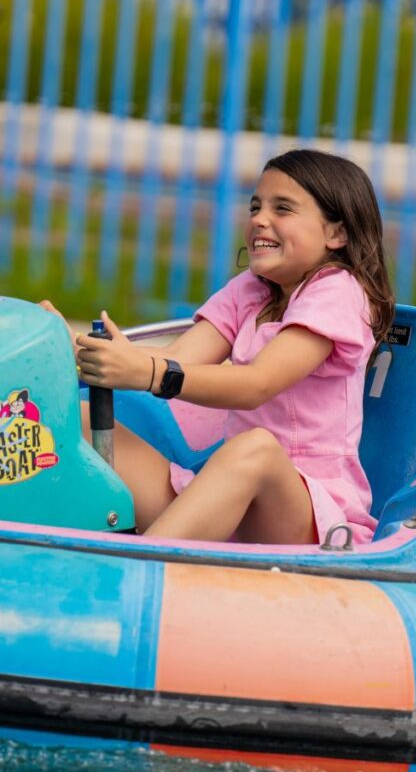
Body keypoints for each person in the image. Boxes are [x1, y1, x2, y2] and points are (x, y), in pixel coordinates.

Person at [40, 148, 395, 546]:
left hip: (305, 515)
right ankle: (24, 532)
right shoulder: (252, 290)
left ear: (337, 233)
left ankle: (137, 566)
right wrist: (81, 350)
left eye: (283, 209)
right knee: (81, 416)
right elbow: (174, 362)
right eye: (256, 206)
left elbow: (256, 384)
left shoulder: (337, 291)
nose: (260, 219)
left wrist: (148, 371)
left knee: (257, 448)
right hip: (226, 497)